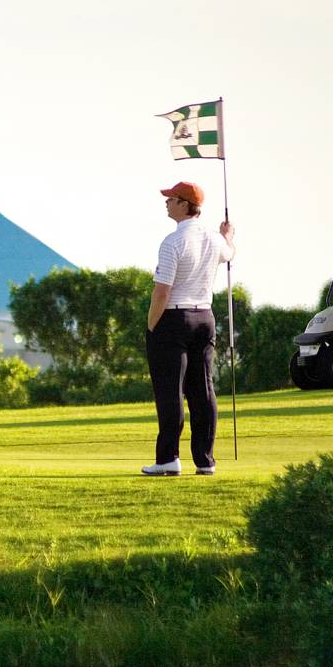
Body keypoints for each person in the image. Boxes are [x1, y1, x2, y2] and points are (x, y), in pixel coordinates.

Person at [142, 181, 235, 477]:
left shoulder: (172, 242)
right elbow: (229, 253)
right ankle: (205, 461)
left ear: (184, 204)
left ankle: (168, 458)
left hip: (173, 319)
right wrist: (228, 236)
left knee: (171, 390)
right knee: (202, 389)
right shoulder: (213, 239)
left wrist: (152, 325)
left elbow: (161, 292)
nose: (166, 202)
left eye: (171, 199)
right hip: (205, 318)